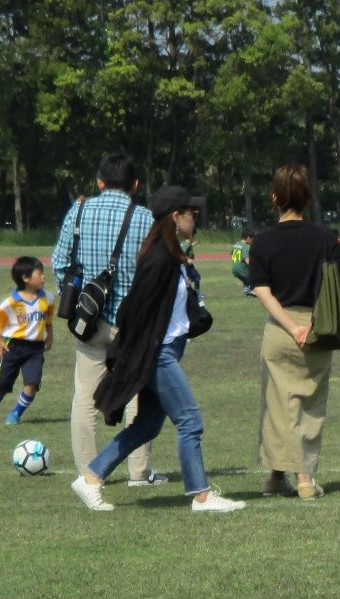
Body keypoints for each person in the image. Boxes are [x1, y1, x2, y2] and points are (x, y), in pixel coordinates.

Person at [71, 187, 243, 514]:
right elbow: (133, 309)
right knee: (190, 420)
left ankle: (91, 477)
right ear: (176, 217)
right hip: (156, 354)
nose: (197, 219)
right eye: (192, 214)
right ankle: (201, 496)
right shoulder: (160, 258)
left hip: (164, 351)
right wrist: (133, 355)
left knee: (147, 426)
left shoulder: (172, 254)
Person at [52, 153, 161, 488]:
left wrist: (79, 299)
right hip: (132, 322)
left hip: (89, 320)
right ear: (136, 185)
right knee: (136, 393)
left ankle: (89, 471)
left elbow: (59, 263)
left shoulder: (79, 211)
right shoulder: (145, 217)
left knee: (85, 396)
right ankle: (138, 472)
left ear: (99, 182)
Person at [248, 163, 340, 501]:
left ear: (275, 198)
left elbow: (261, 290)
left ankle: (279, 477)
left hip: (279, 328)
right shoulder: (325, 238)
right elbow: (338, 284)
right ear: (308, 199)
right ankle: (303, 477)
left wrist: (290, 327)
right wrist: (309, 326)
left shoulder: (262, 241)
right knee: (308, 404)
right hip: (318, 325)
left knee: (278, 404)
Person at [0, 257, 54, 427]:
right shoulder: (11, 303)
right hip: (13, 346)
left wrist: (49, 334)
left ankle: (16, 413)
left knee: (32, 383)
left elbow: (48, 319)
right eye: (39, 274)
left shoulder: (47, 298)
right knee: (2, 385)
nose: (44, 277)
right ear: (26, 278)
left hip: (35, 348)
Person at [231, 228, 255, 295]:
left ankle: (247, 290)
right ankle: (251, 291)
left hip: (234, 269)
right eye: (252, 239)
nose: (252, 242)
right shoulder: (246, 247)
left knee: (246, 280)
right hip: (242, 269)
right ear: (248, 238)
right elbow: (247, 260)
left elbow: (232, 253)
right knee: (255, 278)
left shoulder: (236, 244)